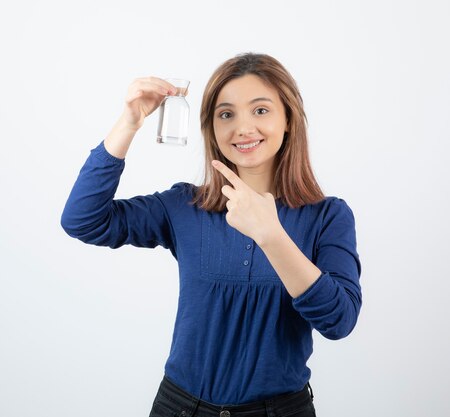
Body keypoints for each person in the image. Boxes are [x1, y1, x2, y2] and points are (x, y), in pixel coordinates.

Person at [60, 53, 362, 417]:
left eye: (261, 110)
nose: (243, 128)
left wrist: (272, 236)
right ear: (211, 129)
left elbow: (339, 321)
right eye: (226, 114)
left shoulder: (328, 216)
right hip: (180, 408)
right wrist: (129, 123)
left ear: (288, 120)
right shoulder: (184, 205)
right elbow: (83, 220)